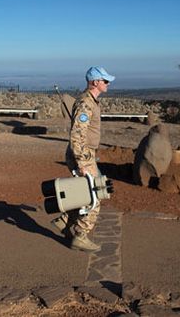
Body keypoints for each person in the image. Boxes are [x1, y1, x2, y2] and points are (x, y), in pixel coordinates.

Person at [51, 66, 115, 252]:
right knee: (96, 193)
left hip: (86, 153)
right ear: (95, 82)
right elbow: (77, 134)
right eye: (105, 81)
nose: (108, 84)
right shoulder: (86, 103)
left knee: (84, 192)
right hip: (83, 154)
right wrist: (82, 163)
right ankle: (81, 234)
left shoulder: (91, 101)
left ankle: (64, 221)